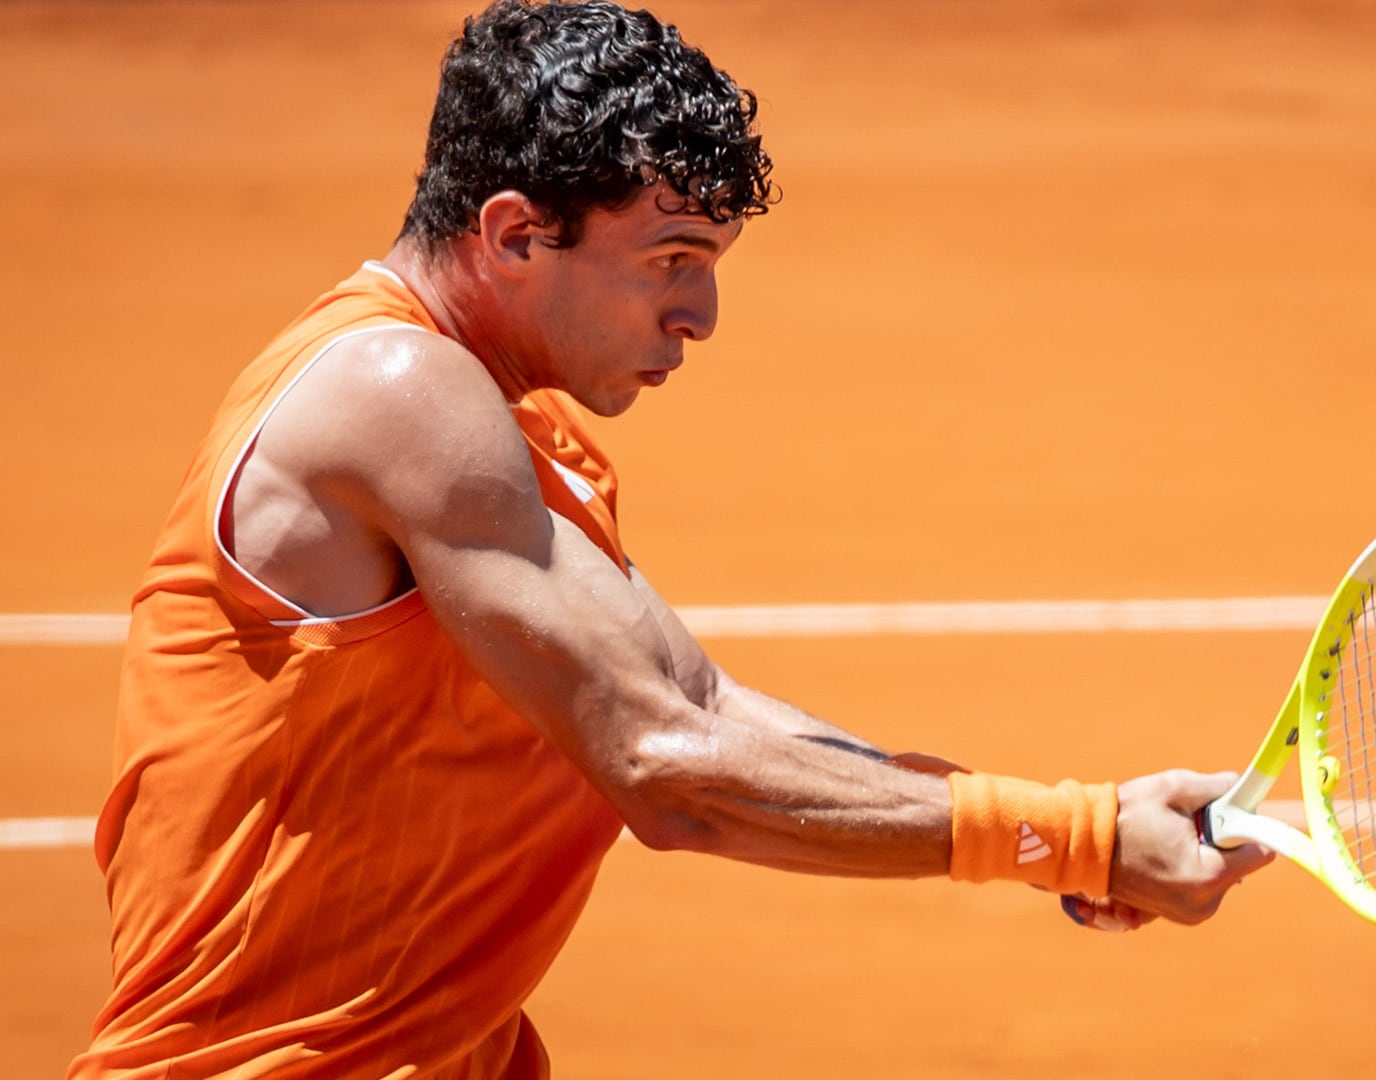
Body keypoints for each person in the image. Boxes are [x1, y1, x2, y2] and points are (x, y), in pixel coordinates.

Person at [70, 1, 1275, 1075]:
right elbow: (663, 767)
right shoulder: (395, 389)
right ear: (515, 233)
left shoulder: (512, 434)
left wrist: (1073, 836)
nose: (699, 314)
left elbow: (698, 701)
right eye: (672, 261)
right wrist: (1074, 838)